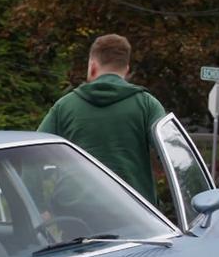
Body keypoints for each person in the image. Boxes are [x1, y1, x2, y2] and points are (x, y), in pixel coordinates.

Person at [38, 33, 166, 204]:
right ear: (126, 70)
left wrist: (38, 207)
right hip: (136, 214)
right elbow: (171, 156)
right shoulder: (148, 105)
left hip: (75, 215)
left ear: (92, 66)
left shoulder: (64, 106)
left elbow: (31, 158)